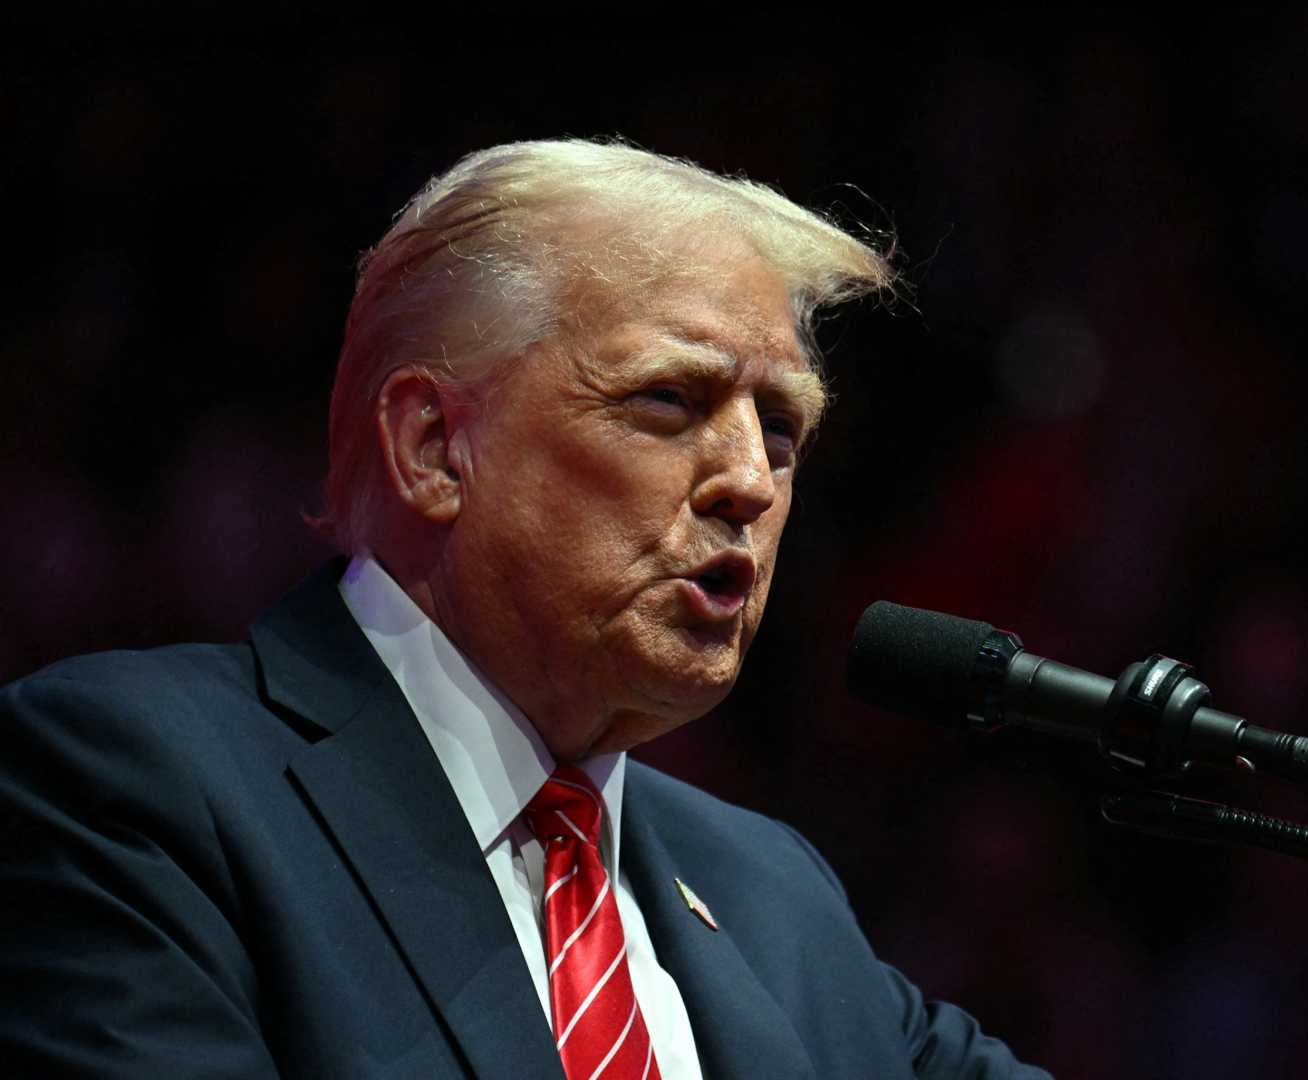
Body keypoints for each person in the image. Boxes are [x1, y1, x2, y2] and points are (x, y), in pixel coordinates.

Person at [0, 140, 1051, 1078]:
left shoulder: (778, 899)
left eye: (780, 427)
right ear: (431, 448)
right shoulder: (134, 786)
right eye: (669, 400)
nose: (750, 481)